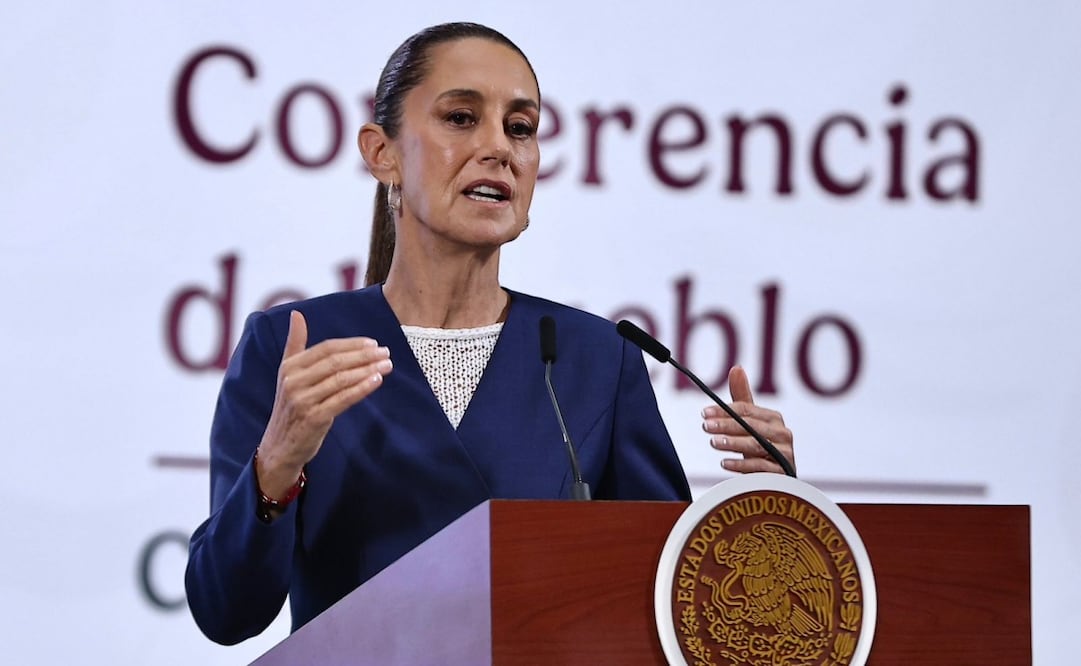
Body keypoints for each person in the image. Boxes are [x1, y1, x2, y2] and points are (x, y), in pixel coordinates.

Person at [184, 22, 795, 646]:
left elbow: (666, 604)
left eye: (520, 128)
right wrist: (276, 465)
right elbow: (226, 613)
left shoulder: (595, 359)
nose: (498, 147)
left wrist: (769, 515)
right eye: (460, 118)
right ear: (381, 152)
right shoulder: (295, 345)